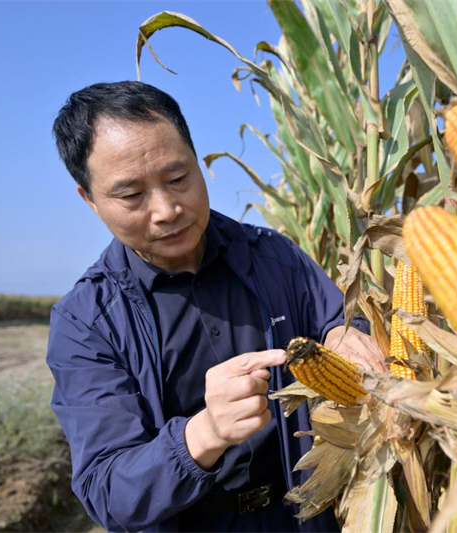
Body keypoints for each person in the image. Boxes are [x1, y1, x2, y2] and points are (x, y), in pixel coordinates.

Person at [47, 81, 386, 533]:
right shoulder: (86, 322)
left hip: (304, 518)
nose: (167, 209)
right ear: (89, 199)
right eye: (131, 196)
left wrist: (344, 332)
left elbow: (336, 320)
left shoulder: (275, 257)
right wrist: (204, 433)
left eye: (178, 179)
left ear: (197, 160)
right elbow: (109, 491)